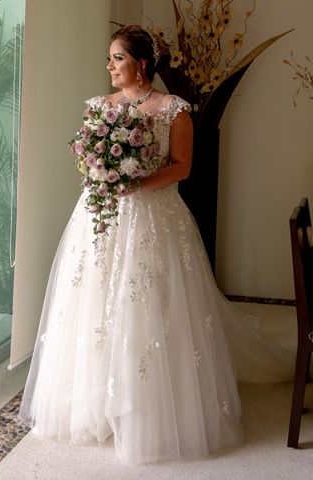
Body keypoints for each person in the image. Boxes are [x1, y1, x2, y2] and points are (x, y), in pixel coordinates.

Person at [18, 25, 293, 464]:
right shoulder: (98, 106)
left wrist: (137, 181)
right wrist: (100, 171)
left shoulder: (173, 109)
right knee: (91, 302)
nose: (109, 67)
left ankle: (146, 406)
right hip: (99, 215)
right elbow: (86, 157)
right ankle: (93, 403)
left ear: (141, 63)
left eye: (117, 59)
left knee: (148, 307)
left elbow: (183, 168)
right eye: (109, 59)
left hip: (154, 216)